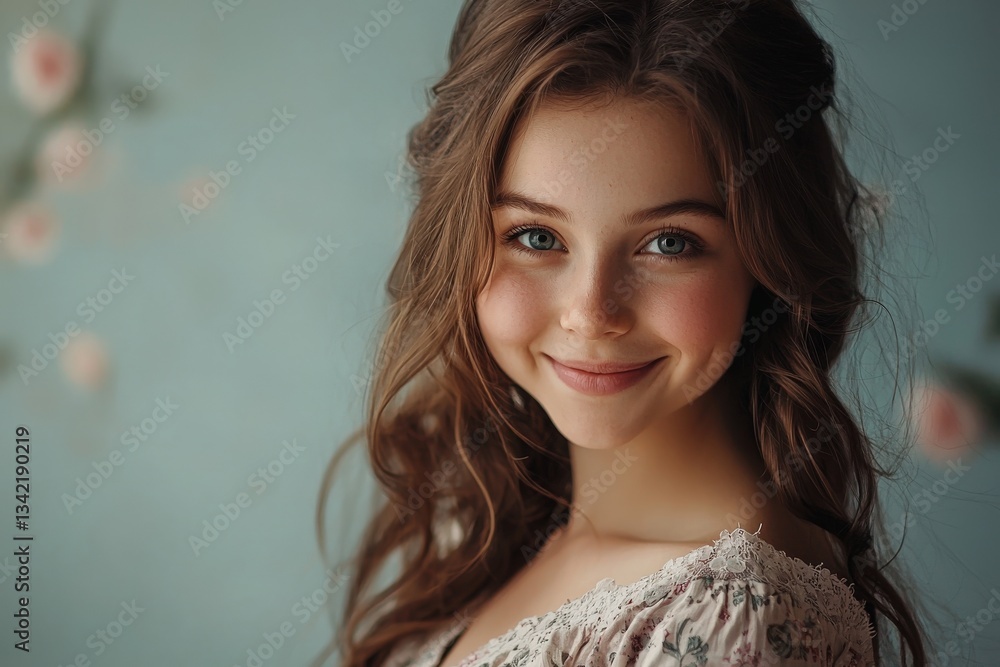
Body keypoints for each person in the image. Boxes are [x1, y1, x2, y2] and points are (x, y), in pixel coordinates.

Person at [314, 1, 934, 665]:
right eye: (536, 236)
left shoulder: (730, 625)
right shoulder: (491, 529)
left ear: (769, 259)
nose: (590, 312)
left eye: (669, 243)